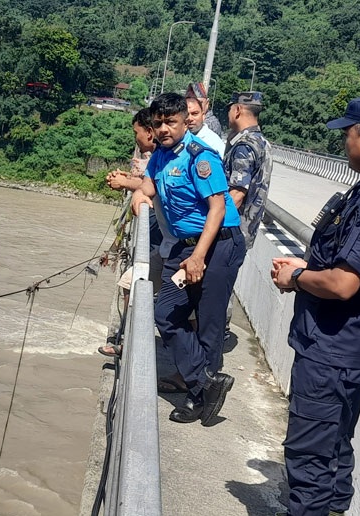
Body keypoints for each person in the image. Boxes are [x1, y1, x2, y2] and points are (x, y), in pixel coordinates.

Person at [270, 94, 360, 516]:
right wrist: (307, 267)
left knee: (310, 459)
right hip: (347, 349)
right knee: (334, 449)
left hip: (332, 352)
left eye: (347, 135)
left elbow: (343, 283)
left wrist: (297, 277)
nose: (343, 143)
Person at [131, 92, 245, 425]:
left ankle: (199, 399)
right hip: (185, 244)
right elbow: (149, 186)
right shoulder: (161, 155)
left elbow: (218, 209)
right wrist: (137, 194)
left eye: (171, 122)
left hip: (218, 245)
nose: (164, 129)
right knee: (165, 313)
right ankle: (206, 382)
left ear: (185, 121)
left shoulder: (200, 157)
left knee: (208, 324)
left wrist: (198, 257)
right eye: (158, 123)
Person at [99, 108, 160, 358]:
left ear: (149, 132)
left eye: (137, 133)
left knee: (129, 283)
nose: (136, 138)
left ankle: (128, 342)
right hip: (168, 240)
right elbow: (148, 181)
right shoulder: (163, 154)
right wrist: (127, 179)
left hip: (169, 241)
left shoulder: (165, 155)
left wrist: (125, 183)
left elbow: (155, 184)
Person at [224, 91, 273, 251]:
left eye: (230, 109)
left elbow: (236, 195)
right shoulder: (262, 142)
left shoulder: (244, 147)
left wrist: (209, 227)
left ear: (237, 110)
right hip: (246, 231)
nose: (228, 114)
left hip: (229, 233)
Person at [184, 88, 226, 157]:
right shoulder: (178, 137)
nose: (190, 119)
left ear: (203, 115)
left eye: (195, 114)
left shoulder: (213, 142)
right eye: (186, 114)